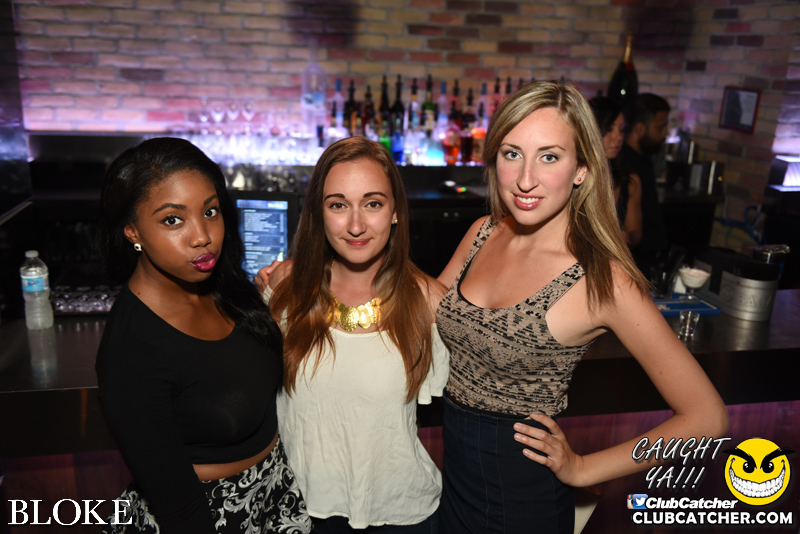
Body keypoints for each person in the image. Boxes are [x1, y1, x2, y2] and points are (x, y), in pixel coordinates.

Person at [435, 81, 728, 534]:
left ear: (582, 170)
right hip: (453, 488)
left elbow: (707, 417)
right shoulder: (483, 232)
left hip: (520, 507)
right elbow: (427, 307)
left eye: (549, 157)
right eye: (512, 153)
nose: (525, 178)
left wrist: (583, 468)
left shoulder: (601, 279)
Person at [95, 137, 312, 534]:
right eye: (172, 220)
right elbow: (177, 507)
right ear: (132, 231)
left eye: (210, 211)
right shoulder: (132, 350)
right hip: (211, 515)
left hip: (277, 493)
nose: (202, 236)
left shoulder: (225, 287)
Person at [256, 136, 448, 533]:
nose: (356, 225)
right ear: (319, 214)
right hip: (296, 510)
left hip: (401, 516)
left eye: (373, 204)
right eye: (338, 205)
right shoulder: (284, 287)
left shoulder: (429, 302)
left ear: (395, 212)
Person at [620, 92, 671, 275]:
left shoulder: (644, 158)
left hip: (650, 261)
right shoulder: (623, 165)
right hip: (634, 264)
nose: (665, 134)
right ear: (640, 128)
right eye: (660, 127)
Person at [589, 95, 642, 246]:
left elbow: (636, 234)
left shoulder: (629, 181)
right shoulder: (572, 176)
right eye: (610, 129)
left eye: (621, 130)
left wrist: (621, 236)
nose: (618, 137)